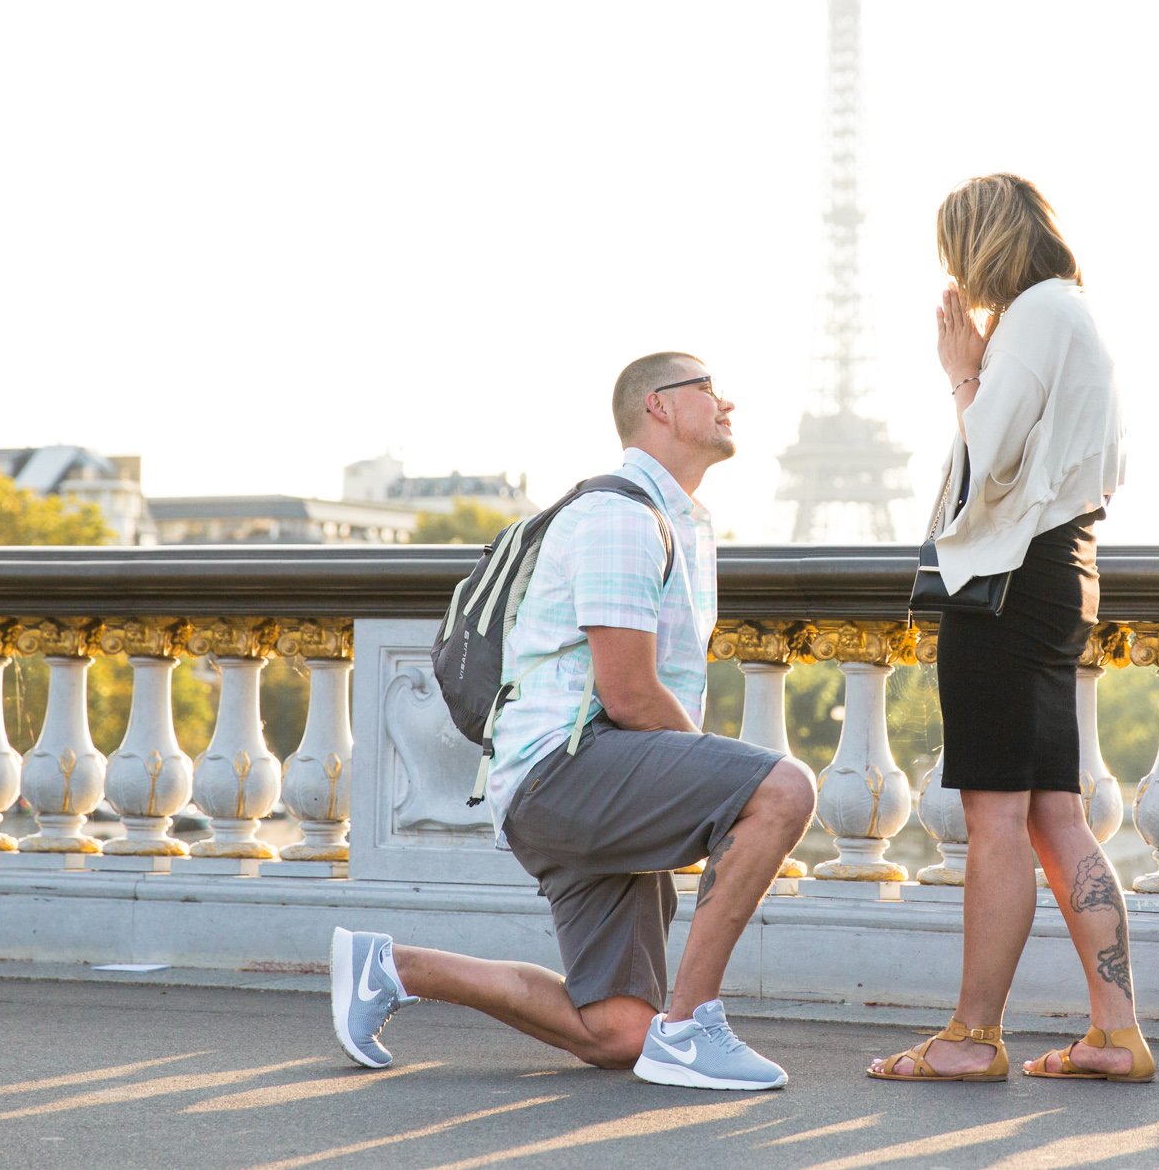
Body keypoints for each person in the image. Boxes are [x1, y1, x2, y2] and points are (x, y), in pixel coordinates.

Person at [331, 351, 817, 1091]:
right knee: (783, 788)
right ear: (657, 406)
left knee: (619, 1032)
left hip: (571, 778)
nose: (728, 403)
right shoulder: (620, 515)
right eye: (708, 388)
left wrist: (703, 792)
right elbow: (627, 692)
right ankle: (690, 1027)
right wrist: (720, 791)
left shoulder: (671, 520)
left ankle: (392, 967)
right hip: (570, 767)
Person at [868, 174, 1149, 1084]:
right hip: (1065, 570)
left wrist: (962, 371)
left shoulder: (1032, 319)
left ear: (980, 245)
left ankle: (970, 1036)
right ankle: (1116, 1032)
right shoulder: (1077, 317)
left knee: (995, 817)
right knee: (1054, 815)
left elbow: (985, 456)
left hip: (1005, 581)